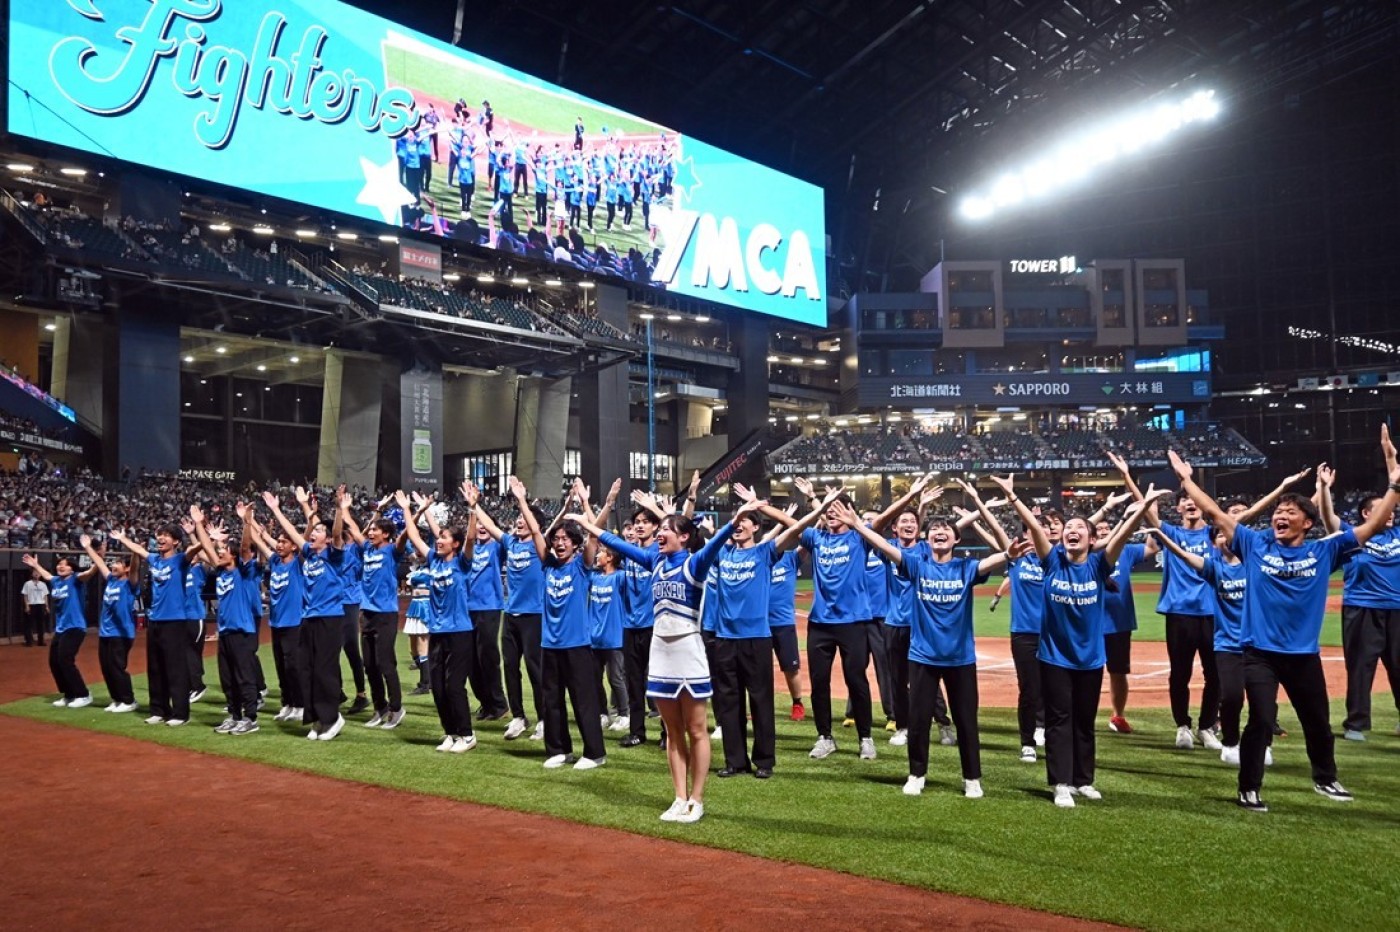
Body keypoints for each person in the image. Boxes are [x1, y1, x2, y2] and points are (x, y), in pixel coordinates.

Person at [1169, 449, 1400, 811]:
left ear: (1307, 523)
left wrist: (1394, 486)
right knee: (1260, 720)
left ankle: (1325, 779)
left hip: (1303, 656)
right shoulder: (1255, 544)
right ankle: (1248, 788)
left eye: (1290, 512)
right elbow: (1214, 512)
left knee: (1318, 724)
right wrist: (1187, 480)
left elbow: (1372, 527)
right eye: (1278, 512)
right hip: (1259, 653)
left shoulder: (1325, 550)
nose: (1281, 516)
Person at [572, 497, 762, 823]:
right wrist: (588, 525)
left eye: (666, 529)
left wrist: (736, 520)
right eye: (658, 529)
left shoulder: (695, 562)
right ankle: (678, 797)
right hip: (660, 651)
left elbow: (715, 543)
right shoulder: (654, 561)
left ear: (684, 537)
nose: (659, 533)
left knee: (697, 729)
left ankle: (697, 799)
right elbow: (616, 542)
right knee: (673, 731)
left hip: (688, 651)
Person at [837, 483, 1020, 799]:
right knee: (919, 721)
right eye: (934, 529)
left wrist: (1005, 554)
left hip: (960, 658)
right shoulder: (917, 565)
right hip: (922, 656)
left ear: (956, 539)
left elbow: (990, 563)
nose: (940, 532)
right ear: (927, 538)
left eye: (946, 530)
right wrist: (857, 526)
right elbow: (887, 546)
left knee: (966, 721)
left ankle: (972, 778)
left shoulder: (965, 568)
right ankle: (916, 774)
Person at [994, 473, 1166, 808]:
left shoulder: (1100, 566)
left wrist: (1142, 505)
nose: (1072, 531)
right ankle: (1060, 782)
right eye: (1068, 528)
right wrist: (1013, 498)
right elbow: (1034, 526)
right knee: (1060, 720)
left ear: (1091, 539)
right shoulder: (1052, 563)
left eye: (1080, 528)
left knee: (1085, 721)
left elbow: (1124, 533)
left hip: (1089, 659)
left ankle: (1083, 780)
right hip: (1055, 658)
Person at [709, 487, 838, 779]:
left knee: (761, 700)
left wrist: (820, 508)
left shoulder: (765, 552)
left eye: (746, 520)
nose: (739, 524)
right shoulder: (722, 554)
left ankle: (764, 761)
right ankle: (735, 761)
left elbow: (799, 530)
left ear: (756, 527)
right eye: (735, 520)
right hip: (725, 639)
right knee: (729, 703)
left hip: (756, 638)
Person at [1150, 524, 1272, 768]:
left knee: (1217, 677)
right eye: (1219, 536)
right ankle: (1183, 726)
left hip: (1215, 620)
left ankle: (1208, 727)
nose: (1223, 538)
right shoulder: (1213, 565)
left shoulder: (1248, 561)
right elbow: (1183, 555)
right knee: (1180, 674)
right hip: (1181, 614)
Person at [524, 479, 608, 771]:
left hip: (577, 646)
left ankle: (594, 753)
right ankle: (559, 749)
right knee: (552, 701)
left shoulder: (581, 567)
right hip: (550, 644)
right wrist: (522, 500)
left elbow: (594, 536)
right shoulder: (548, 565)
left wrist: (585, 503)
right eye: (556, 539)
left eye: (565, 539)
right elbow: (536, 531)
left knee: (584, 701)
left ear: (574, 544)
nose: (559, 542)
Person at [397, 484, 480, 753]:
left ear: (454, 544)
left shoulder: (461, 563)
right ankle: (451, 733)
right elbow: (413, 533)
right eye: (439, 536)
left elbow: (469, 539)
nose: (438, 540)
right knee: (439, 688)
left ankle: (467, 735)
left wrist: (472, 508)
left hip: (459, 632)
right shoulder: (434, 560)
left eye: (443, 537)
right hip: (438, 631)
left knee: (454, 685)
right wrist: (409, 511)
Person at [263, 487, 347, 741]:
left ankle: (333, 718)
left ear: (329, 539)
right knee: (306, 669)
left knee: (324, 670)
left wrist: (340, 508)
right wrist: (276, 510)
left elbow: (336, 533)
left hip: (330, 618)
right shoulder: (309, 554)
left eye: (320, 531)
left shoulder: (334, 556)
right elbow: (291, 532)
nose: (314, 533)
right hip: (308, 618)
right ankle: (317, 719)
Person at [1339, 424, 1400, 741]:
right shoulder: (1353, 537)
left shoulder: (1399, 534)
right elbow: (1328, 519)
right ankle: (1357, 723)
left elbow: (1398, 487)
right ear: (1365, 514)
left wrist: (1391, 459)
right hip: (1362, 609)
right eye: (1381, 510)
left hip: (1397, 609)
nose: (1390, 513)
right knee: (1361, 668)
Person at [477, 488, 546, 740]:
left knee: (535, 669)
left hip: (534, 616)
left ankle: (543, 719)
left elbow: (537, 530)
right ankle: (518, 717)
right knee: (509, 667)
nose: (519, 521)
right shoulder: (510, 542)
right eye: (517, 518)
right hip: (511, 615)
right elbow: (491, 527)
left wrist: (521, 500)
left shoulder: (540, 545)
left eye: (524, 519)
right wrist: (475, 505)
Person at [191, 503, 262, 735]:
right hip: (226, 632)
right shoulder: (220, 571)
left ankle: (250, 718)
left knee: (244, 676)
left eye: (223, 551)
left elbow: (244, 547)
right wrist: (199, 525)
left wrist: (246, 521)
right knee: (227, 678)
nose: (219, 553)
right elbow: (206, 550)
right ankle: (234, 715)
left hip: (242, 632)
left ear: (233, 555)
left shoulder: (244, 572)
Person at [113, 524, 193, 726]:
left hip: (175, 620)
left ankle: (180, 713)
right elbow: (139, 550)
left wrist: (196, 531)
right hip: (155, 619)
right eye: (159, 535)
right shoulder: (154, 559)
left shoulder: (180, 560)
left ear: (175, 541)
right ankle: (158, 709)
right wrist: (123, 539)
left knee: (175, 668)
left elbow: (194, 550)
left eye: (166, 535)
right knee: (155, 667)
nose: (161, 538)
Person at [344, 493, 408, 730]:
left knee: (385, 663)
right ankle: (379, 708)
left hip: (385, 615)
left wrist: (411, 512)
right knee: (369, 665)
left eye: (376, 531)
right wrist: (346, 508)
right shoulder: (367, 551)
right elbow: (352, 527)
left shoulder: (392, 551)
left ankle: (396, 708)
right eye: (370, 531)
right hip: (366, 614)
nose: (371, 533)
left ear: (387, 535)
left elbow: (403, 537)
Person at [248, 515, 305, 723]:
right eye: (278, 541)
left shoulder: (298, 564)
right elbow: (258, 541)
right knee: (281, 666)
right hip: (276, 622)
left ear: (293, 546)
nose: (279, 545)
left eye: (284, 542)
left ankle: (300, 704)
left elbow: (302, 539)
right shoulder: (275, 562)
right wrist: (248, 521)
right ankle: (287, 703)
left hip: (294, 623)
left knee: (293, 667)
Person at [22, 552, 97, 708]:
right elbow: (48, 576)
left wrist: (98, 558)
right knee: (54, 662)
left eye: (65, 564)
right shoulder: (56, 581)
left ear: (72, 568)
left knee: (65, 660)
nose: (61, 566)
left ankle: (83, 694)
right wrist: (35, 565)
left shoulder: (76, 579)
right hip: (61, 628)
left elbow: (90, 573)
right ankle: (69, 694)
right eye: (59, 564)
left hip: (75, 626)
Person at [79, 534, 140, 713]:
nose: (113, 566)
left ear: (126, 569)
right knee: (106, 667)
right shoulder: (112, 580)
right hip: (106, 632)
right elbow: (99, 563)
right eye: (113, 563)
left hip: (122, 633)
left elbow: (136, 568)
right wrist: (88, 547)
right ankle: (117, 699)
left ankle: (129, 700)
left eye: (118, 564)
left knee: (117, 667)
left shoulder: (130, 584)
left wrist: (135, 552)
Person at [20, 568, 48, 647]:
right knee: (29, 624)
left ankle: (41, 641)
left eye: (38, 572)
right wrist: (27, 606)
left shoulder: (43, 584)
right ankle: (29, 641)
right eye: (35, 572)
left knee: (41, 624)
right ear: (32, 574)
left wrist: (47, 606)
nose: (36, 574)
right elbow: (25, 595)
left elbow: (45, 596)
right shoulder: (27, 584)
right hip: (31, 605)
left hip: (41, 605)